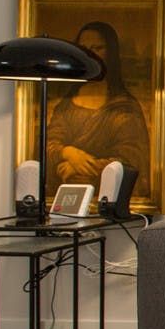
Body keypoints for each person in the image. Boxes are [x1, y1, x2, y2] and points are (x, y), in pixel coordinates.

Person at [45, 21, 150, 198]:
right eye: (83, 48)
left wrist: (79, 166)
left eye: (97, 48)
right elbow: (50, 142)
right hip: (64, 193)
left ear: (110, 53)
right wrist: (68, 153)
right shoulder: (66, 106)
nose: (89, 54)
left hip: (106, 193)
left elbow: (132, 157)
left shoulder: (125, 107)